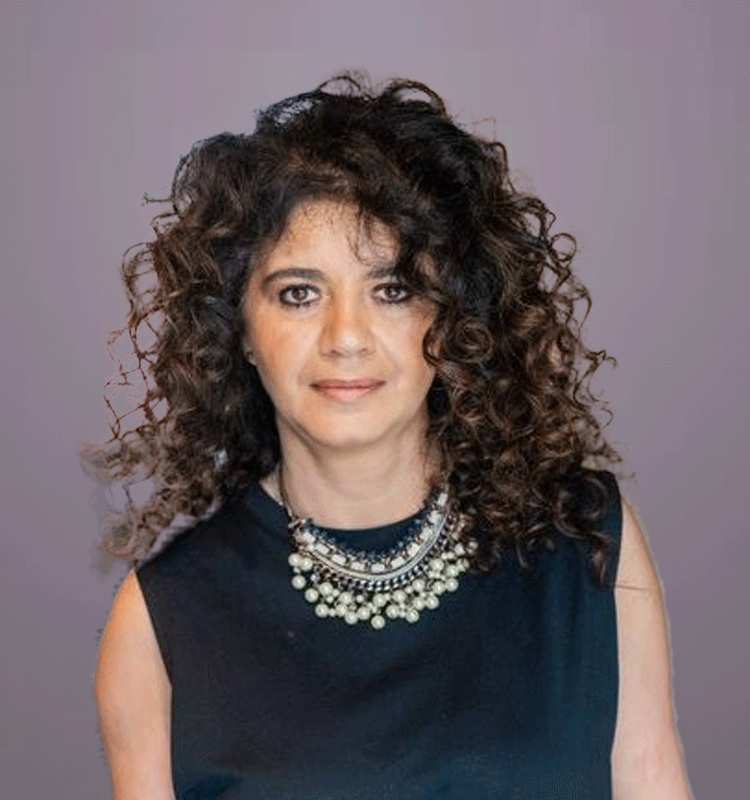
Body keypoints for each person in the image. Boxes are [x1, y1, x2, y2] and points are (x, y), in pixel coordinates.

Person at [90, 73, 693, 799]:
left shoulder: (586, 545)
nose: (346, 337)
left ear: (454, 318)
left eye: (394, 290)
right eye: (299, 294)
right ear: (241, 329)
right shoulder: (161, 619)